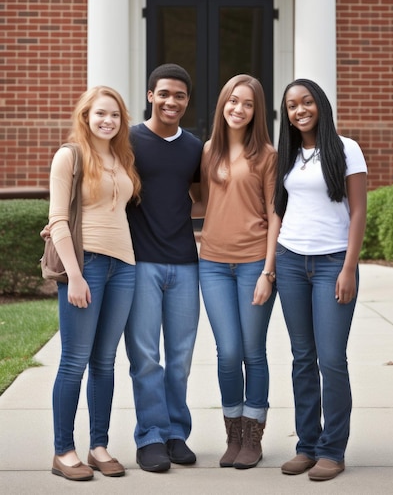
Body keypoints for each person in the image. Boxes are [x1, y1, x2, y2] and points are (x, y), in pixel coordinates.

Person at [274, 79, 367, 482]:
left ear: (320, 104)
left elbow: (359, 212)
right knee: (302, 359)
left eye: (306, 101)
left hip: (332, 264)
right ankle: (307, 446)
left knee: (331, 359)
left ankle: (333, 449)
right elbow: (279, 207)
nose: (300, 110)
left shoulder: (346, 148)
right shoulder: (288, 154)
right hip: (291, 260)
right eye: (292, 105)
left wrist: (348, 267)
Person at [48, 86, 141, 481]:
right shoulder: (69, 155)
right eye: (101, 113)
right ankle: (63, 451)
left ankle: (98, 444)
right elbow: (58, 221)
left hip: (124, 266)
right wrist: (74, 275)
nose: (108, 120)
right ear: (85, 116)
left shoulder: (122, 157)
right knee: (74, 361)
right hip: (86, 266)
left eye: (116, 115)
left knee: (105, 361)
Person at [194, 74, 279, 470]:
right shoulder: (208, 151)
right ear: (222, 104)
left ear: (256, 110)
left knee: (252, 351)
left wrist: (268, 271)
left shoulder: (267, 155)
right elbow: (203, 203)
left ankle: (253, 437)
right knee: (227, 353)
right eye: (232, 100)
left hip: (252, 264)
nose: (238, 109)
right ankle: (232, 435)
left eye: (247, 103)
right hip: (211, 262)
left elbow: (274, 213)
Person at [124, 63, 203, 473]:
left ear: (187, 102)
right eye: (164, 93)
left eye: (180, 96)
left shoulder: (195, 147)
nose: (172, 101)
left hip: (185, 264)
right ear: (151, 95)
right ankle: (150, 435)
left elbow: (204, 196)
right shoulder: (129, 140)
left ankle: (176, 433)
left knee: (181, 356)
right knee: (145, 355)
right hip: (140, 264)